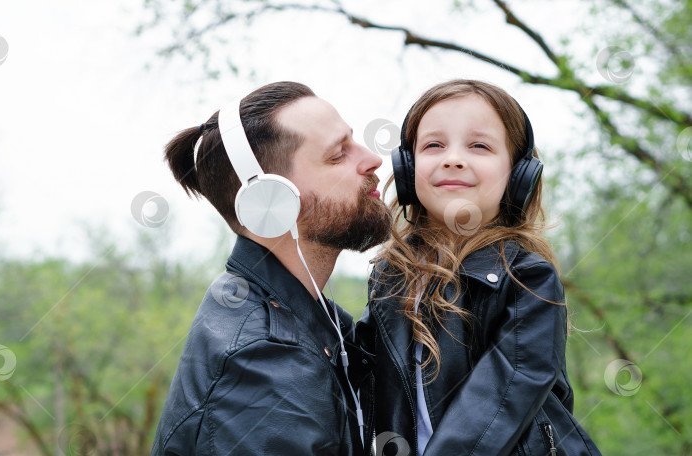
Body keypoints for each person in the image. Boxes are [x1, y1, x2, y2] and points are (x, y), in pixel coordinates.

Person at [357, 80, 602, 455]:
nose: (453, 158)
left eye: (479, 146)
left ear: (518, 176)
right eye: (434, 145)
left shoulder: (528, 277)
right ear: (407, 169)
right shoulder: (389, 277)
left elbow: (505, 393)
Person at [151, 81, 392, 456]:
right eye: (338, 154)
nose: (372, 159)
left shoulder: (306, 322)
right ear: (272, 201)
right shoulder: (266, 365)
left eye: (354, 141)